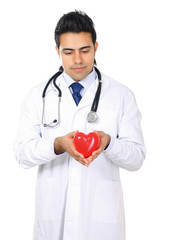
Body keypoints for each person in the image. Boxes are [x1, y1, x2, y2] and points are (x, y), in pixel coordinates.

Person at [14, 10, 146, 240]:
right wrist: (57, 144)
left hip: (101, 223)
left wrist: (108, 144)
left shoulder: (121, 95)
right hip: (53, 218)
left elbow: (136, 158)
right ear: (57, 51)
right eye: (68, 52)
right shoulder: (38, 96)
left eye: (85, 51)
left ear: (96, 46)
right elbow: (22, 154)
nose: (77, 60)